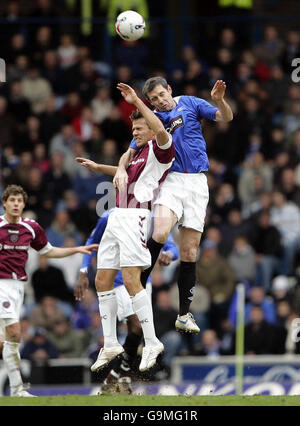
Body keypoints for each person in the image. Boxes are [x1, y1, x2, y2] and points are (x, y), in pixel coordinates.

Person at [113, 76, 233, 334]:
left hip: (198, 183)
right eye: (153, 99)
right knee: (160, 232)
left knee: (190, 253)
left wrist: (220, 101)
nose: (159, 101)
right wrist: (121, 168)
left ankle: (183, 314)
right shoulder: (151, 117)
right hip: (171, 180)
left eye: (160, 95)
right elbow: (130, 150)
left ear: (169, 89)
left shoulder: (189, 103)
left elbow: (226, 118)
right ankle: (137, 286)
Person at [75, 83, 175, 374]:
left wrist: (138, 103)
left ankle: (153, 341)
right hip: (117, 215)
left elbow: (159, 130)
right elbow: (124, 174)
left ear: (152, 127)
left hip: (136, 217)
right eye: (133, 129)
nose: (135, 132)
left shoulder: (161, 150)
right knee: (103, 280)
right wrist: (100, 168)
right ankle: (110, 343)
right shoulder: (137, 154)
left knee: (132, 280)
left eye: (140, 128)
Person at [0, 184, 98, 397]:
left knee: (6, 341)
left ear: (24, 204)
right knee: (15, 333)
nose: (16, 204)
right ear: (4, 203)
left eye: (19, 201)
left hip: (18, 288)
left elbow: (49, 251)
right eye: (12, 200)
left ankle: (15, 388)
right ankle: (17, 390)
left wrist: (77, 249)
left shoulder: (31, 227)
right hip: (1, 284)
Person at [74, 208, 178, 391]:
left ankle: (119, 375)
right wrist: (83, 270)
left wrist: (169, 255)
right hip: (119, 281)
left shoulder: (151, 218)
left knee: (135, 331)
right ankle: (120, 372)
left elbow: (172, 247)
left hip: (144, 281)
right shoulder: (110, 216)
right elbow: (92, 241)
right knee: (138, 325)